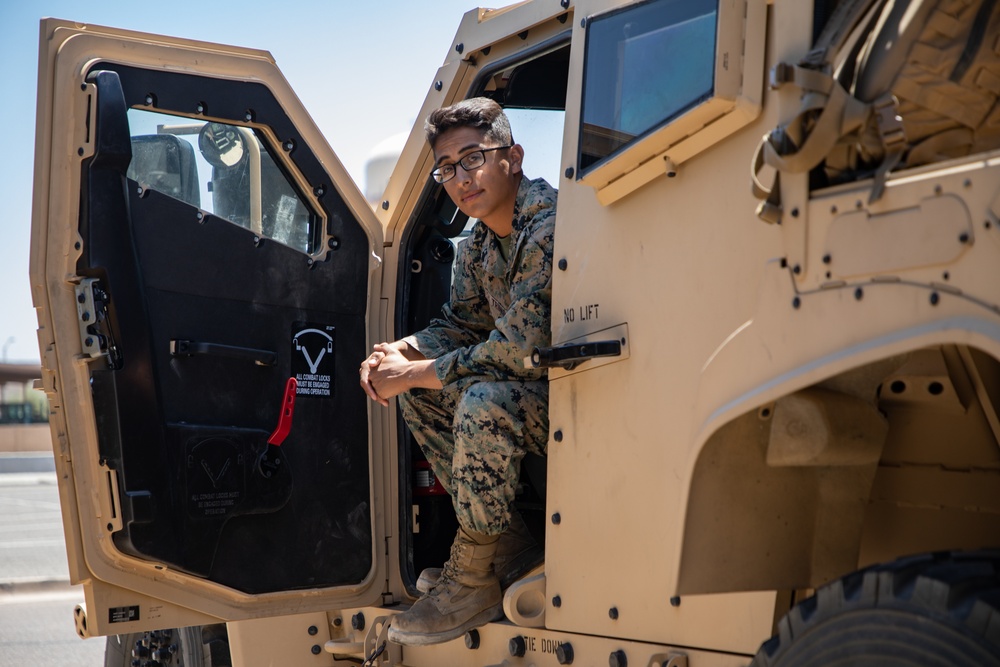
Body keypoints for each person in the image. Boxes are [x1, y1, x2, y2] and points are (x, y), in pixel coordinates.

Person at [359, 97, 557, 646]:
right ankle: (509, 548)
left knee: (480, 400)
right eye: (447, 169)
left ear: (511, 156)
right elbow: (460, 326)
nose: (459, 178)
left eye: (473, 158)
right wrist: (396, 352)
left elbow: (518, 351)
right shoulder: (478, 244)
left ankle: (472, 579)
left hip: (584, 390)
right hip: (535, 392)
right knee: (421, 390)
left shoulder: (545, 226)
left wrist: (414, 372)